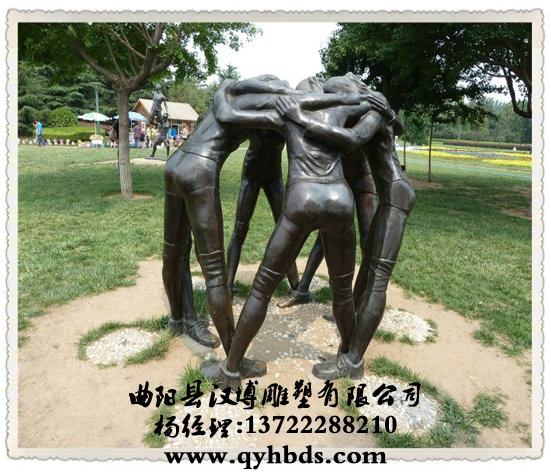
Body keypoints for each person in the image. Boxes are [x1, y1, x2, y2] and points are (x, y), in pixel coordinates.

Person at [201, 76, 396, 388]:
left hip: (302, 201)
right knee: (342, 292)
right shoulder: (343, 108)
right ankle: (348, 358)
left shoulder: (286, 109)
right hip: (340, 201)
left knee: (261, 289)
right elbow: (379, 113)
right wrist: (384, 106)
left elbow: (229, 115)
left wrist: (222, 91)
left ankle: (232, 370)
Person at [162, 75, 364, 367]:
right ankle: (233, 358)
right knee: (214, 270)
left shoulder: (233, 92)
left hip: (177, 161)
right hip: (199, 169)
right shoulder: (280, 100)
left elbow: (224, 110)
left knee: (174, 249)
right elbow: (293, 106)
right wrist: (347, 99)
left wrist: (223, 89)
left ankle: (179, 319)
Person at [277, 73, 415, 380]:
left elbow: (352, 139)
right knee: (371, 265)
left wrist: (300, 118)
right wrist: (390, 112)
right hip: (392, 194)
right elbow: (397, 126)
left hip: (395, 195)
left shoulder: (372, 111)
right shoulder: (377, 107)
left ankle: (352, 361)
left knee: (378, 280)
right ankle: (351, 339)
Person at [226, 128, 300, 296]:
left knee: (286, 230)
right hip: (251, 177)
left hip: (274, 177)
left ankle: (296, 285)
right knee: (240, 229)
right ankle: (227, 285)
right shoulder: (258, 117)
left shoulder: (284, 119)